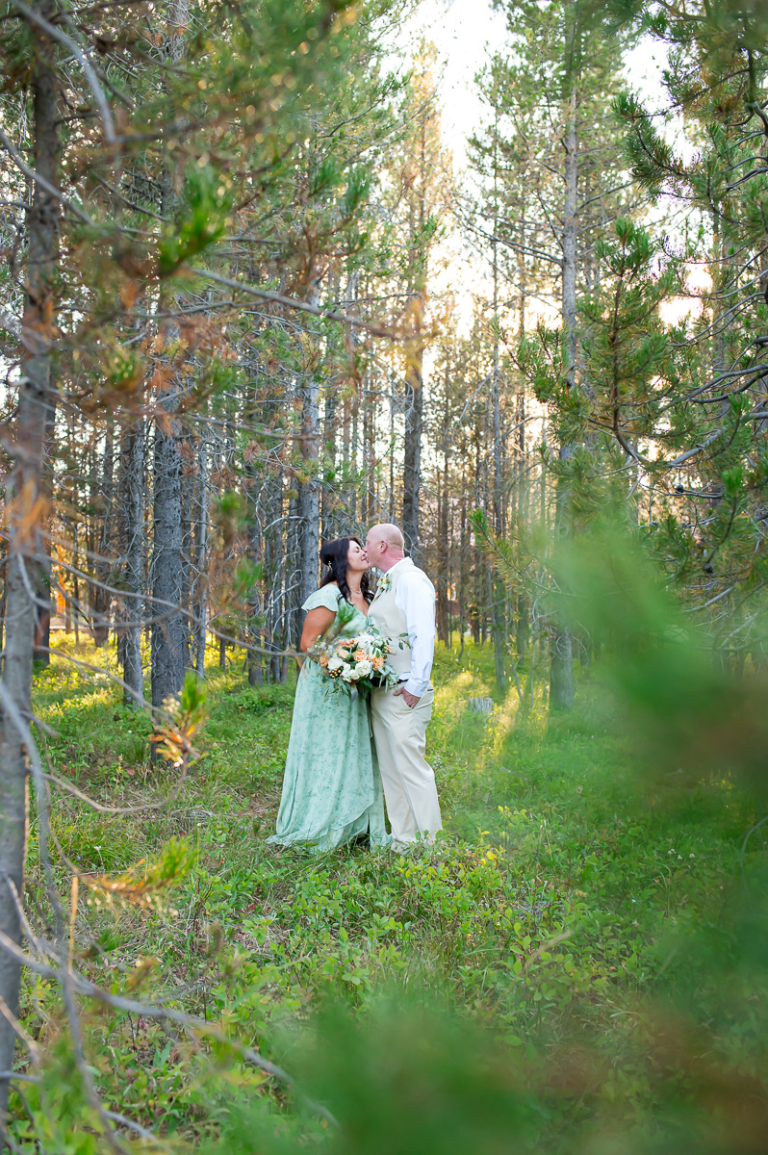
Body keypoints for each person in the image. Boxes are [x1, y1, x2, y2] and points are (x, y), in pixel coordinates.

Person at [268, 537, 389, 852]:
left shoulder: (371, 597)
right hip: (327, 688)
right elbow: (308, 644)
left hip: (357, 687)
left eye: (363, 547)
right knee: (329, 752)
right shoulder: (329, 596)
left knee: (355, 750)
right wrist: (343, 663)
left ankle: (355, 825)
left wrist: (365, 666)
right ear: (340, 559)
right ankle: (321, 822)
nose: (363, 551)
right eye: (355, 548)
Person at [364, 523, 443, 851]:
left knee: (412, 769)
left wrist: (416, 685)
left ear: (382, 546)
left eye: (367, 542)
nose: (364, 548)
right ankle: (404, 841)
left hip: (405, 694)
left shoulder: (411, 580)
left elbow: (422, 634)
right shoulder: (386, 582)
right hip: (383, 692)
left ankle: (432, 846)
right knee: (392, 772)